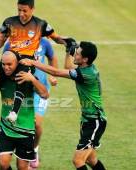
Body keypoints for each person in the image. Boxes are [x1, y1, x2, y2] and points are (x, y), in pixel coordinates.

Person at [0, 0, 69, 130]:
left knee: (22, 75)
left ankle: (14, 113)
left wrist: (69, 42)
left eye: (25, 11)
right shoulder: (9, 22)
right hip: (11, 59)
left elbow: (56, 38)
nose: (21, 14)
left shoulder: (41, 24)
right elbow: (0, 41)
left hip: (26, 61)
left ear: (32, 9)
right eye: (19, 10)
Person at [20, 41, 107, 170]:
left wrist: (33, 62)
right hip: (87, 120)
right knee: (91, 159)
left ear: (85, 59)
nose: (74, 55)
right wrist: (68, 52)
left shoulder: (86, 74)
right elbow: (68, 67)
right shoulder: (84, 68)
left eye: (77, 54)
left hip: (95, 121)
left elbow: (56, 72)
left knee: (78, 160)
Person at [0, 51, 48, 170]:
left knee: (22, 167)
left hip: (26, 131)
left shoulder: (27, 78)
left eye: (9, 64)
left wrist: (33, 79)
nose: (6, 67)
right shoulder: (2, 78)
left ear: (17, 63)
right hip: (5, 129)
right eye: (3, 64)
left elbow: (45, 94)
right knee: (3, 164)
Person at [4, 38, 58, 168]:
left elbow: (53, 57)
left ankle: (34, 149)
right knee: (18, 120)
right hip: (21, 88)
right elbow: (5, 62)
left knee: (37, 124)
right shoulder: (10, 42)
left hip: (39, 87)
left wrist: (53, 74)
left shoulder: (44, 42)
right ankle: (17, 151)